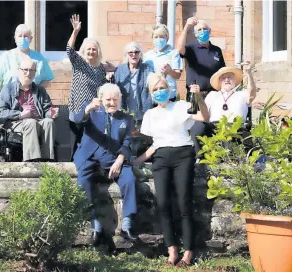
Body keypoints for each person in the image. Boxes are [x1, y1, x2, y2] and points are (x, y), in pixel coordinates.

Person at [133, 73, 209, 268]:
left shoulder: (181, 106)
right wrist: (137, 160)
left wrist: (199, 97)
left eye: (162, 88)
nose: (159, 92)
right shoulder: (150, 115)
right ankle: (172, 250)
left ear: (169, 89)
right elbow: (154, 145)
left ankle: (189, 252)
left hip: (183, 155)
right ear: (151, 94)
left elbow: (204, 117)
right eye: (155, 90)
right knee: (163, 204)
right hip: (161, 158)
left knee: (184, 202)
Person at [73, 83, 138, 246]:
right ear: (101, 99)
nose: (111, 103)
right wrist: (87, 109)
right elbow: (77, 120)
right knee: (83, 183)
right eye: (108, 99)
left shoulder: (126, 118)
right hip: (90, 157)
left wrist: (120, 159)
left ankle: (127, 225)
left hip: (114, 158)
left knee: (129, 179)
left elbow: (129, 142)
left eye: (115, 99)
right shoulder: (92, 112)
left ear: (120, 99)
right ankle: (96, 226)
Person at [67, 14, 114, 159]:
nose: (91, 52)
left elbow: (104, 88)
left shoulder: (101, 68)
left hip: (93, 110)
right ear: (84, 50)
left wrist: (111, 74)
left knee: (89, 140)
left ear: (97, 51)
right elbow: (69, 50)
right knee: (76, 140)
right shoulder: (79, 62)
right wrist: (75, 31)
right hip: (77, 107)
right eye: (88, 49)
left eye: (94, 49)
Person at [177, 18, 226, 157]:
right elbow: (179, 49)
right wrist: (186, 26)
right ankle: (199, 158)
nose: (202, 32)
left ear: (210, 31)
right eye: (199, 30)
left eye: (205, 29)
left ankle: (217, 157)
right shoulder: (191, 48)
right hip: (195, 95)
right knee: (197, 127)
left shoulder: (217, 50)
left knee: (215, 124)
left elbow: (222, 72)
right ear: (195, 33)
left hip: (214, 95)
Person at [0, 58, 59, 162]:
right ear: (19, 70)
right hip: (15, 123)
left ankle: (47, 160)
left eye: (32, 70)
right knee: (30, 122)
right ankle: (32, 161)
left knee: (49, 122)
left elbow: (47, 109)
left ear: (35, 73)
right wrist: (20, 115)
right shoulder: (8, 89)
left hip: (38, 121)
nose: (28, 73)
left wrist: (51, 113)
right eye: (25, 70)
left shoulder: (40, 90)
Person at [0, 24, 54, 98]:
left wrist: (37, 91)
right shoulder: (6, 56)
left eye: (26, 36)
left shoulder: (39, 58)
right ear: (15, 38)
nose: (22, 38)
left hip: (31, 99)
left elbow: (46, 79)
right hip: (9, 98)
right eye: (20, 36)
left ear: (31, 39)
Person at [114, 41, 154, 125]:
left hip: (143, 112)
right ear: (126, 55)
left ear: (140, 54)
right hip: (125, 110)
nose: (133, 54)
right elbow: (115, 89)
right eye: (130, 52)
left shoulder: (147, 69)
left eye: (136, 52)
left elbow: (154, 85)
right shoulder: (120, 70)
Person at [143, 24, 183, 101]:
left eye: (161, 37)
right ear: (152, 39)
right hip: (152, 97)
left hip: (169, 96)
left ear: (166, 38)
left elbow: (178, 75)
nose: (158, 39)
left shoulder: (174, 53)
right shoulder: (147, 55)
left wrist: (169, 71)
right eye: (156, 37)